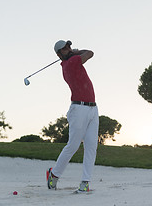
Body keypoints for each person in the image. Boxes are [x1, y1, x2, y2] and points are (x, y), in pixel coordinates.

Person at [47, 40, 99, 193]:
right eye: (65, 48)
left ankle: (85, 182)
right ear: (59, 54)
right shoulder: (70, 63)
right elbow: (90, 53)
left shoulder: (71, 61)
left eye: (69, 46)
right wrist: (76, 51)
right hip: (79, 109)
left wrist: (72, 51)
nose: (68, 49)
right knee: (73, 145)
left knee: (91, 147)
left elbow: (88, 54)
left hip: (92, 108)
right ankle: (54, 175)